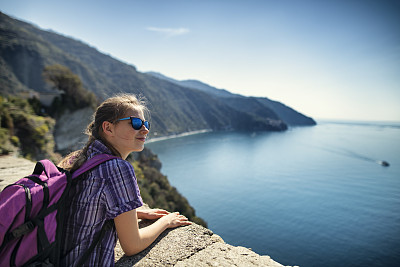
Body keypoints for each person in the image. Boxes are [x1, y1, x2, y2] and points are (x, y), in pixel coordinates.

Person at [58, 94, 191, 266]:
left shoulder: (79, 158)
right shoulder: (117, 168)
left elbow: (86, 208)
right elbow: (132, 246)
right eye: (135, 123)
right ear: (108, 128)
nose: (145, 129)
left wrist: (136, 213)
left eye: (145, 124)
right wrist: (167, 221)